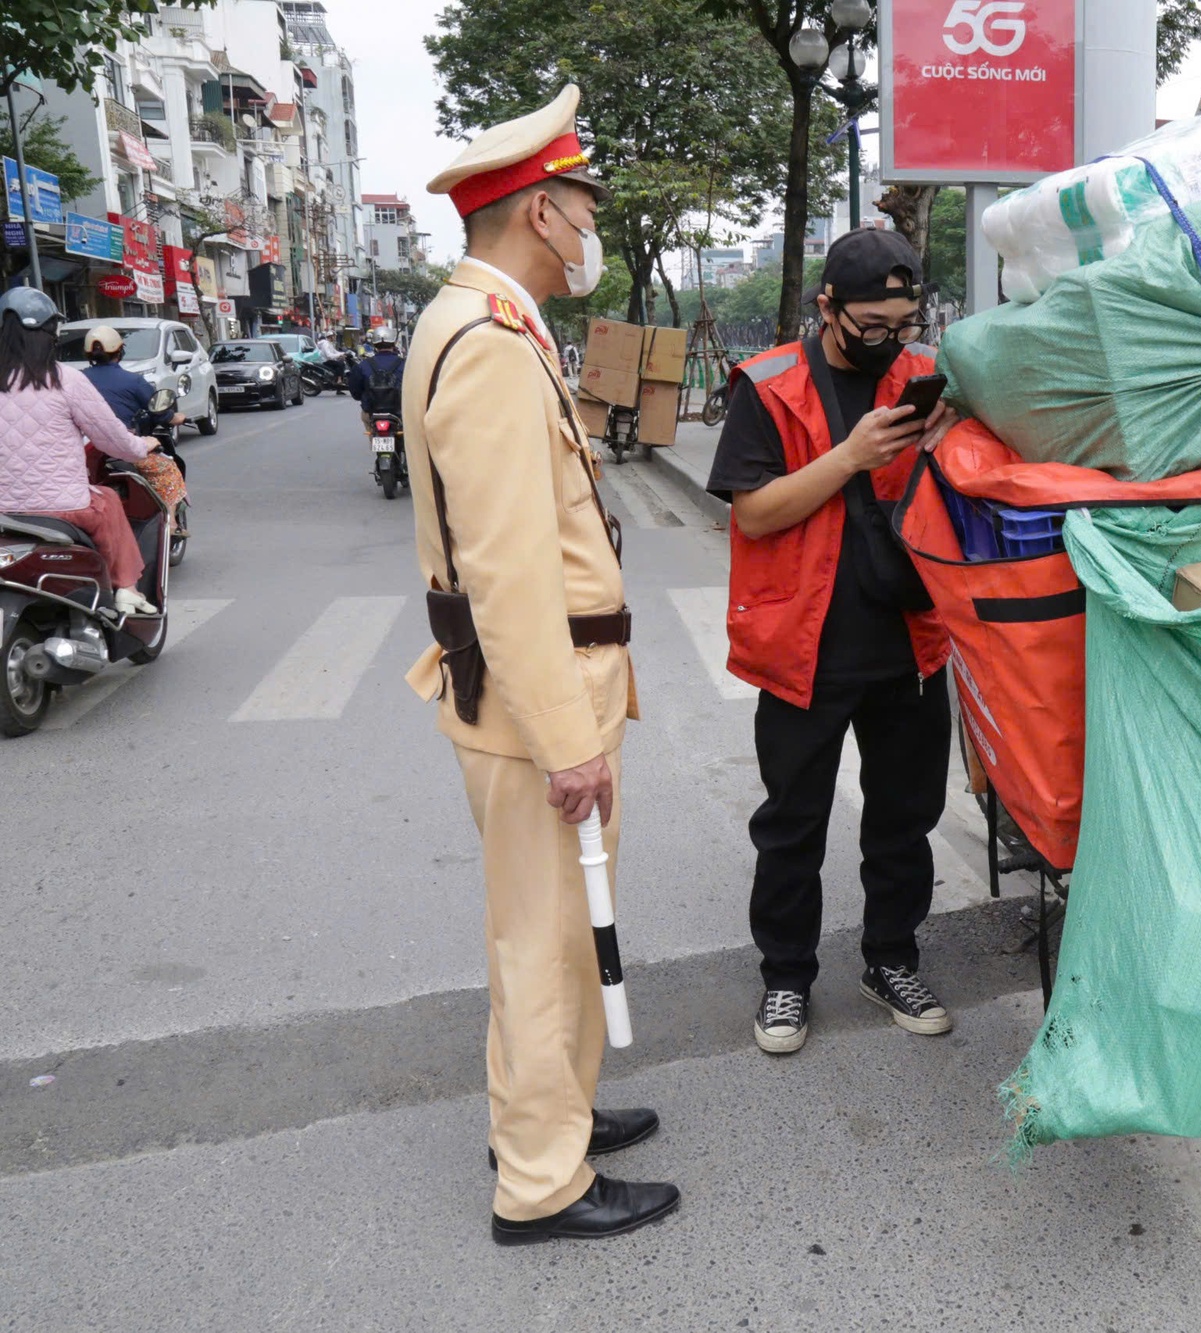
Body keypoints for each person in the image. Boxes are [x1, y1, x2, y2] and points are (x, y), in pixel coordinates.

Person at [404, 83, 678, 1246]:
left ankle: (550, 1110)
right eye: (577, 203)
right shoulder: (488, 346)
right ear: (534, 213)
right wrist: (569, 742)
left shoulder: (488, 325)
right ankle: (540, 1180)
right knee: (543, 935)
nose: (588, 224)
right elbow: (509, 570)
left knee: (553, 929)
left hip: (544, 690)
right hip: (538, 704)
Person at [706, 228, 957, 1057]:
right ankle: (786, 976)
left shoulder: (923, 378)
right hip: (803, 645)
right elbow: (755, 511)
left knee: (903, 820)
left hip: (909, 642)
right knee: (792, 825)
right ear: (827, 308)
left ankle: (891, 959)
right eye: (873, 325)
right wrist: (850, 456)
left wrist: (945, 444)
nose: (891, 341)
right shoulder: (769, 385)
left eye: (904, 323)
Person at [0, 290, 159, 615]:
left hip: (4, 511)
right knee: (108, 501)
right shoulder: (66, 380)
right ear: (51, 335)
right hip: (63, 507)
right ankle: (126, 588)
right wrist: (143, 445)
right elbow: (114, 441)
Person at [77, 327, 188, 522]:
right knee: (167, 471)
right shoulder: (134, 381)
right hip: (122, 447)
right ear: (120, 351)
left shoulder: (75, 380)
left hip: (82, 454)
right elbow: (160, 412)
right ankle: (169, 525)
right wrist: (175, 417)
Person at [348, 330, 404, 417]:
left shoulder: (362, 366)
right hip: (400, 411)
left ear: (374, 344)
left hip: (371, 412)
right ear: (394, 343)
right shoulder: (405, 364)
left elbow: (356, 393)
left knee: (366, 421)